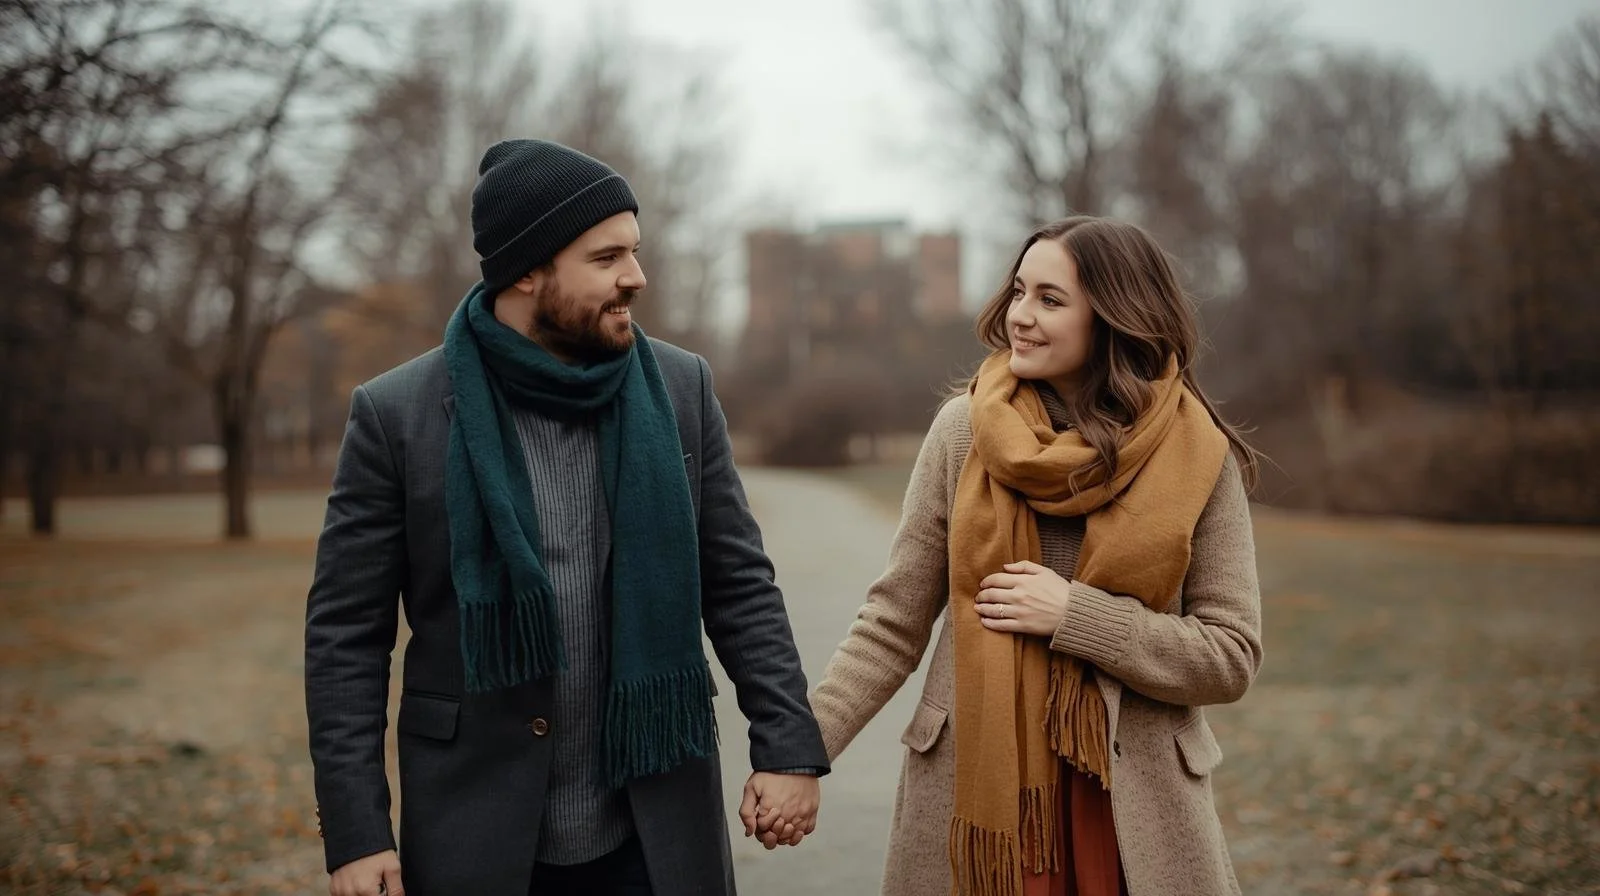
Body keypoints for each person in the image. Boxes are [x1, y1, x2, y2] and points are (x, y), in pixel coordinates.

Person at [305, 139, 827, 896]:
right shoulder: (397, 415)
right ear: (527, 268)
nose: (636, 277)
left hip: (652, 833)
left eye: (635, 252)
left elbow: (740, 582)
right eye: (607, 257)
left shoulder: (680, 392)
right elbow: (345, 638)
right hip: (475, 833)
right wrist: (356, 830)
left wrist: (788, 746)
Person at [809, 216, 1264, 896]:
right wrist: (802, 749)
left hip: (1128, 799)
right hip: (985, 789)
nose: (1020, 316)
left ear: (1114, 319)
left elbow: (1229, 656)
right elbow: (892, 623)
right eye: (1019, 291)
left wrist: (1077, 615)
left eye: (1050, 300)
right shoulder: (963, 432)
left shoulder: (1197, 456)